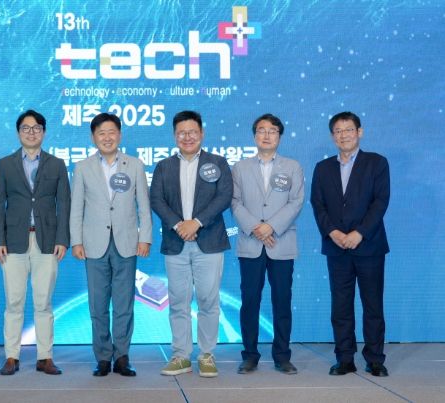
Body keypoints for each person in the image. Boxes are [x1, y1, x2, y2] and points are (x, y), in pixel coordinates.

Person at [150, 110, 232, 378]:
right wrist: (179, 225)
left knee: (208, 300)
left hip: (209, 241)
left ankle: (207, 354)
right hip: (176, 243)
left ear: (202, 134)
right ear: (175, 136)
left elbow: (224, 197)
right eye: (182, 133)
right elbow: (157, 200)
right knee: (178, 302)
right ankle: (181, 356)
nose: (187, 137)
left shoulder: (218, 163)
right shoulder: (164, 166)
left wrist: (196, 223)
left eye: (192, 132)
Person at [70, 113, 152, 377]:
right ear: (93, 137)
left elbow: (144, 205)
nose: (107, 137)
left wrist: (145, 237)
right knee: (97, 305)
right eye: (101, 133)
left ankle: (123, 356)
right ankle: (103, 357)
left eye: (111, 132)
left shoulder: (135, 165)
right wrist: (76, 241)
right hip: (93, 244)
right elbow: (76, 208)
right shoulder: (82, 167)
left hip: (127, 242)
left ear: (120, 135)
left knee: (124, 304)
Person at [310, 111, 390, 377]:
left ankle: (375, 359)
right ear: (332, 136)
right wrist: (332, 232)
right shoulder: (323, 168)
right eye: (338, 131)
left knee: (372, 305)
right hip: (337, 247)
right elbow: (317, 204)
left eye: (348, 130)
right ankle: (344, 358)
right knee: (341, 306)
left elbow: (380, 202)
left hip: (369, 246)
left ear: (359, 132)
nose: (343, 135)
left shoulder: (376, 163)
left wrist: (360, 233)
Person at [0, 110, 70, 376]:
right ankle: (11, 356)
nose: (31, 132)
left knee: (43, 302)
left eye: (36, 128)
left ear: (44, 132)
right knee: (14, 302)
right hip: (13, 242)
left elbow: (64, 204)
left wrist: (63, 239)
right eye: (26, 128)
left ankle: (45, 357)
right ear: (18, 133)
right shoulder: (5, 164)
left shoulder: (57, 164)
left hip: (47, 241)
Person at [231, 114, 304, 375]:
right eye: (261, 130)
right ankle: (250, 355)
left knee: (282, 300)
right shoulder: (240, 167)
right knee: (250, 300)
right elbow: (234, 202)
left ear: (279, 136)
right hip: (251, 244)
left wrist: (270, 226)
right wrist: (256, 227)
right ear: (254, 136)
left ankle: (282, 356)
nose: (266, 135)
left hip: (281, 243)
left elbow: (296, 202)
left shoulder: (292, 166)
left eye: (272, 131)